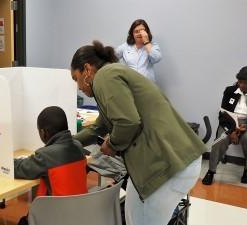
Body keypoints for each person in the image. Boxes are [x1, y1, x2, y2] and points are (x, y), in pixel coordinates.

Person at [71, 40, 205, 225]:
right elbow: (98, 127)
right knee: (133, 215)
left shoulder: (104, 77)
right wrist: (67, 141)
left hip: (167, 165)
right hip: (171, 160)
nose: (78, 86)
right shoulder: (114, 74)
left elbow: (128, 122)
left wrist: (111, 144)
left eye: (75, 78)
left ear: (87, 70)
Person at [202, 66, 247, 185]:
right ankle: (211, 171)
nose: (241, 85)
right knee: (219, 141)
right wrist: (231, 131)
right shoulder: (229, 91)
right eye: (239, 82)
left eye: (245, 83)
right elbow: (222, 114)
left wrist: (246, 125)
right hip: (229, 123)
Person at [14, 106, 87, 196]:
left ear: (43, 132)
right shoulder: (78, 146)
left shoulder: (45, 156)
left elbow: (19, 168)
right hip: (82, 206)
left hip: (57, 209)